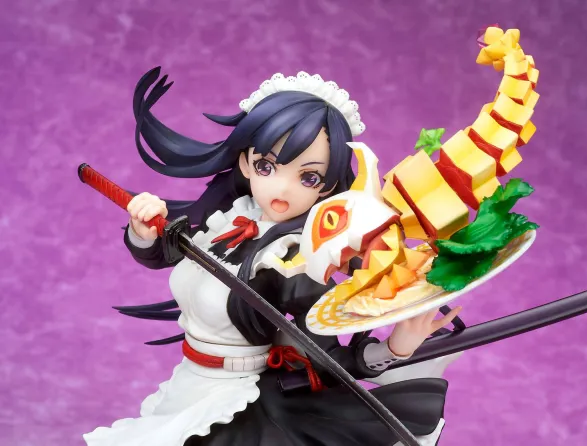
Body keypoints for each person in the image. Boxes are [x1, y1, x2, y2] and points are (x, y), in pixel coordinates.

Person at [83, 67, 461, 446]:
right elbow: (166, 255)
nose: (282, 188)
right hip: (189, 383)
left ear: (328, 186)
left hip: (236, 400)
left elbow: (329, 359)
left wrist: (394, 350)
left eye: (308, 177)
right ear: (246, 163)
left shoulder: (294, 260)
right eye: (267, 167)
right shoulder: (229, 217)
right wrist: (143, 231)